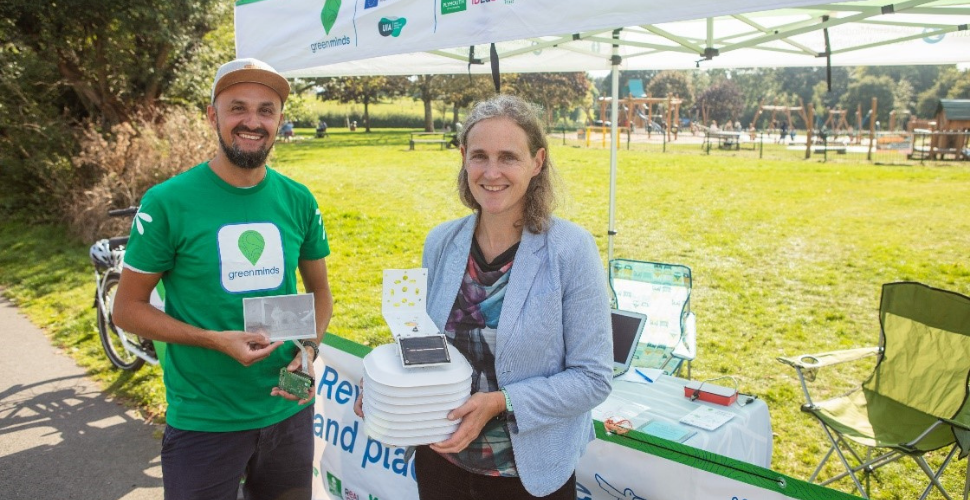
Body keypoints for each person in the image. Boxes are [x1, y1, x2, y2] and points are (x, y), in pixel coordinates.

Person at [357, 95, 612, 499]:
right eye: (479, 156)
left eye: (508, 157)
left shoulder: (571, 250)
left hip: (528, 479)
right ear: (463, 157)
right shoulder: (442, 242)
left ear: (537, 162)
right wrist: (386, 387)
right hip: (441, 464)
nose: (492, 172)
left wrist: (500, 402)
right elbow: (423, 343)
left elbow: (593, 378)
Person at [113, 57, 334, 500]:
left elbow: (320, 292)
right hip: (204, 421)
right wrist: (215, 340)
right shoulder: (169, 202)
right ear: (213, 115)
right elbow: (127, 309)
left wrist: (308, 349)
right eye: (238, 108)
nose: (252, 122)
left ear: (279, 121)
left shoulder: (297, 199)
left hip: (287, 411)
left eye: (266, 110)